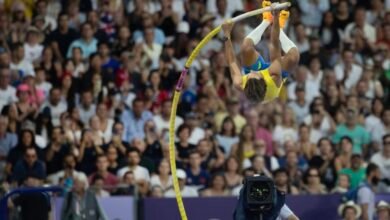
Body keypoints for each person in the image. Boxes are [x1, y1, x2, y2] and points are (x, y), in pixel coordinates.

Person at [222, 1, 299, 103]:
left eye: (249, 75)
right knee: (294, 56)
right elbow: (274, 45)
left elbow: (231, 62)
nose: (252, 72)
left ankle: (266, 19)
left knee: (245, 48)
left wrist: (227, 34)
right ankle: (276, 24)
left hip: (259, 80)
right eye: (255, 74)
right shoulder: (274, 78)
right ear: (263, 80)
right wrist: (276, 18)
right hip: (273, 79)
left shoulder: (240, 83)